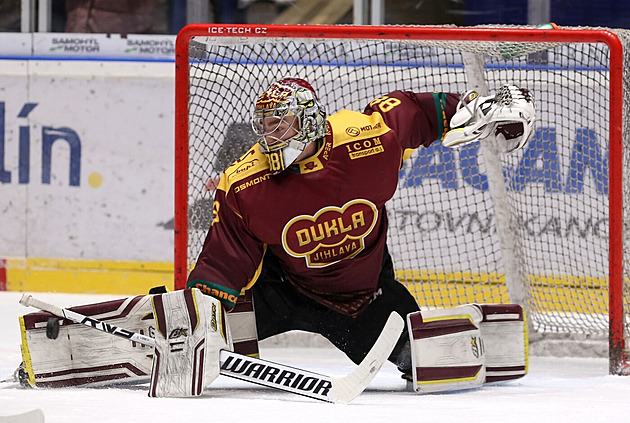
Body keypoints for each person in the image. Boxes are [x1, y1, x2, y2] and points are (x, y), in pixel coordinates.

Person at [186, 78, 535, 377]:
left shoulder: (368, 139)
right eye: (266, 126)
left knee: (427, 359)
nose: (271, 135)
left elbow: (422, 112)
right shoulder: (245, 183)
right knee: (201, 337)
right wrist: (198, 319)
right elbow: (225, 258)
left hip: (366, 297)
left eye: (281, 124)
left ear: (309, 121)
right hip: (282, 290)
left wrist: (483, 107)